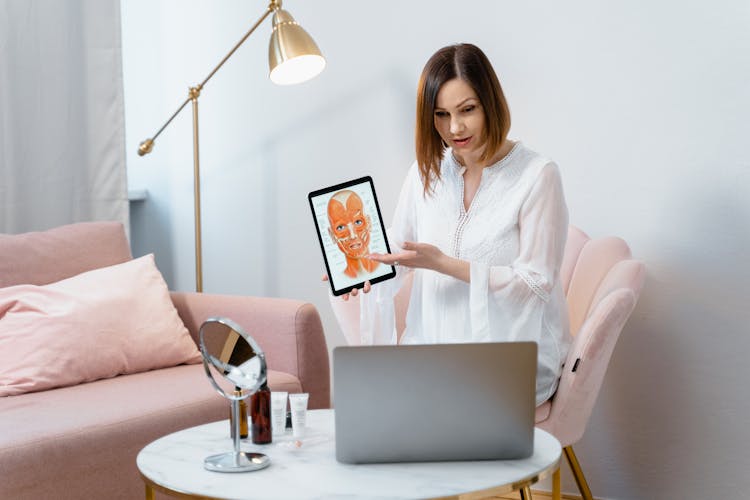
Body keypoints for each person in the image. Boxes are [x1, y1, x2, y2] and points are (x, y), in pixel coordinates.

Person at [328, 43, 570, 405]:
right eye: (441, 114)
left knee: (406, 410)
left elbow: (534, 284)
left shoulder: (537, 176)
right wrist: (359, 265)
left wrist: (443, 264)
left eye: (467, 110)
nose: (454, 128)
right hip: (433, 346)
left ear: (491, 102)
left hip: (511, 357)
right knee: (373, 402)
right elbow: (404, 244)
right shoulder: (427, 172)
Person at [327, 189, 380, 278]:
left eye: (358, 222)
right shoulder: (339, 283)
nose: (353, 235)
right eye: (341, 227)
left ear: (369, 223)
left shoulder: (389, 264)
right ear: (332, 235)